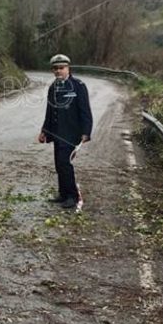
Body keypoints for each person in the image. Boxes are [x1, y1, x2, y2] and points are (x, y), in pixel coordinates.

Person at [37, 54, 93, 209]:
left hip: (71, 133)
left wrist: (86, 132)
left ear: (68, 68)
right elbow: (50, 111)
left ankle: (72, 196)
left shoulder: (78, 86)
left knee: (65, 163)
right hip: (56, 133)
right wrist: (44, 131)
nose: (58, 71)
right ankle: (63, 193)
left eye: (61, 68)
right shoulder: (53, 87)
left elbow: (85, 111)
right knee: (59, 164)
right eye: (55, 69)